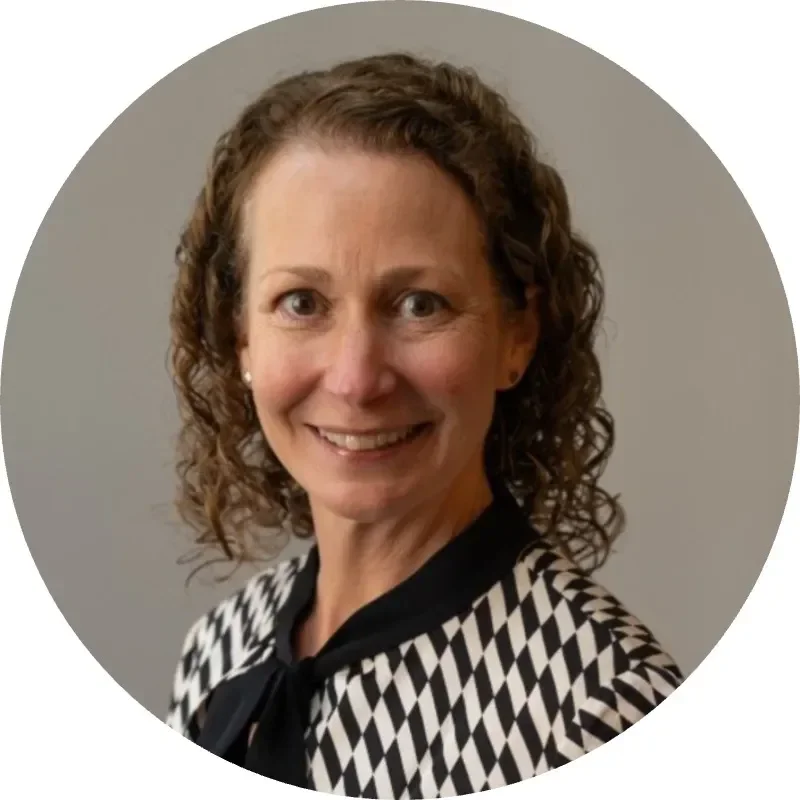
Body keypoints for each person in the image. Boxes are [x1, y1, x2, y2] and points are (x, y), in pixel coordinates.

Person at [164, 52, 682, 796]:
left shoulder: (602, 710)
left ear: (517, 334)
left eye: (420, 305)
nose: (355, 379)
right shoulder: (218, 650)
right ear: (241, 335)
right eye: (302, 303)